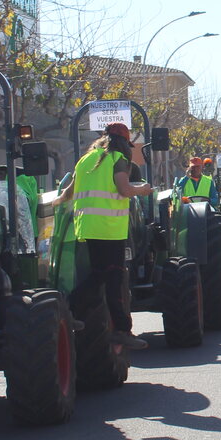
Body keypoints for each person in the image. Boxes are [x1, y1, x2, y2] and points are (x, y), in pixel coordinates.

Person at [54, 122, 153, 350]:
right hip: (109, 227)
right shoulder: (118, 158)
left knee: (99, 274)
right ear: (123, 143)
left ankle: (69, 308)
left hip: (87, 226)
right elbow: (124, 190)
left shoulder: (86, 159)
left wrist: (51, 205)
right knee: (115, 278)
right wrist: (143, 190)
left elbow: (68, 192)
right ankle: (122, 330)